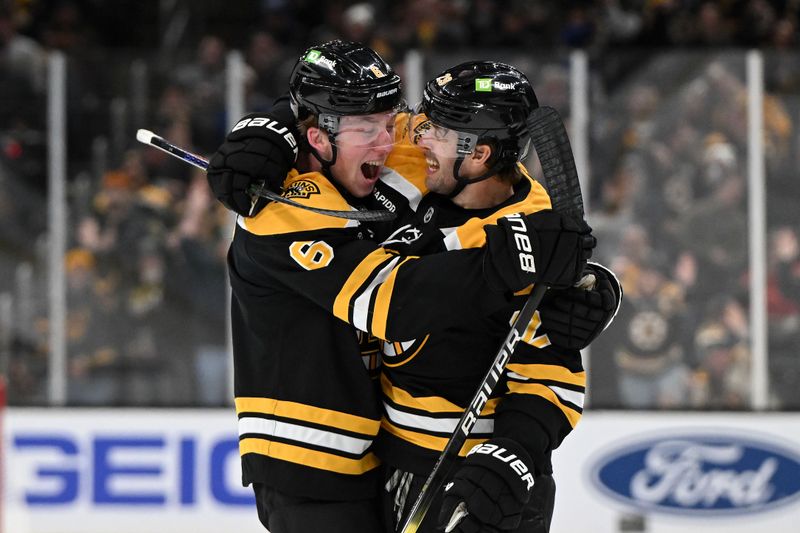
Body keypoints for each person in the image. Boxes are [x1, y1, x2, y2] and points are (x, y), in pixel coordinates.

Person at [206, 41, 595, 533]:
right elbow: (389, 302)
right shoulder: (276, 210)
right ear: (319, 137)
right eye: (369, 130)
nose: (392, 143)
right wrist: (268, 124)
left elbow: (500, 180)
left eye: (390, 124)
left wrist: (583, 277)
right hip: (309, 458)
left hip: (393, 454)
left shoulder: (403, 149)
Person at [375, 61, 621, 533]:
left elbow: (553, 374)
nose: (420, 138)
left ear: (480, 154)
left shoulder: (532, 239)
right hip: (394, 465)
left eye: (438, 131)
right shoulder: (425, 173)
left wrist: (511, 457)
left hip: (477, 482)